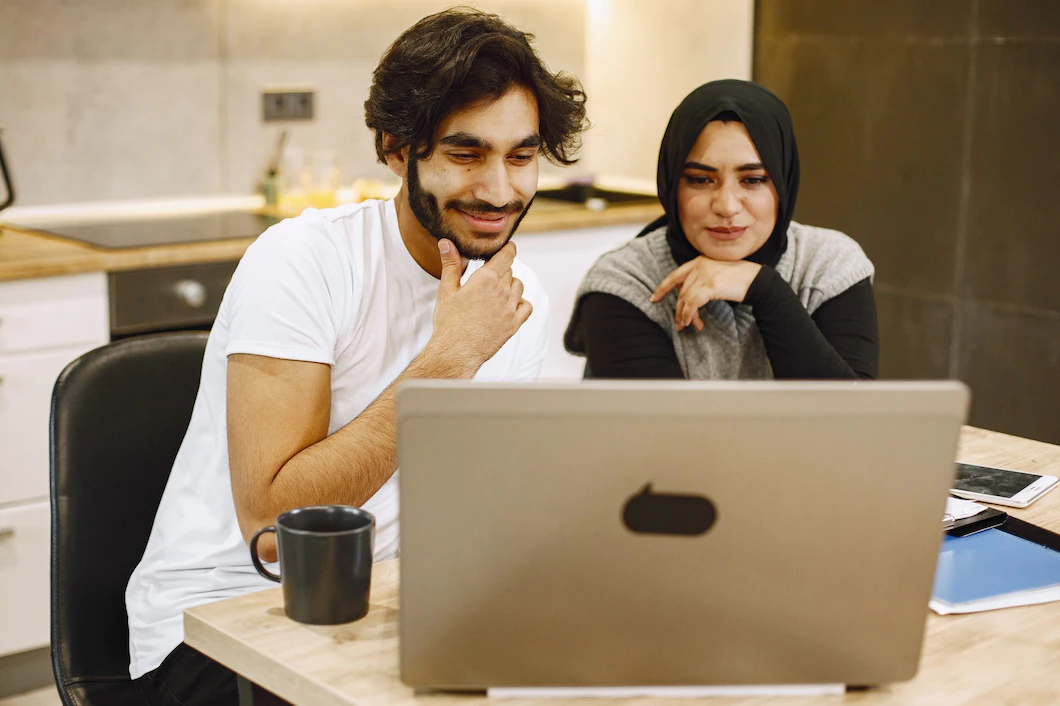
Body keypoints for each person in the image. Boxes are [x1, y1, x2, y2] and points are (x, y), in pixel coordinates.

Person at [125, 9, 587, 704]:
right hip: (216, 627)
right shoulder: (304, 261)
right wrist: (446, 361)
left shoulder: (515, 305)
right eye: (465, 154)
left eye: (521, 157)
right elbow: (275, 530)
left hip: (383, 611)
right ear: (396, 148)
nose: (499, 191)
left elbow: (474, 511)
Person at [565, 79, 878, 380]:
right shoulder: (627, 281)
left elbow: (850, 418)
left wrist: (764, 289)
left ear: (783, 183)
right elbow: (664, 432)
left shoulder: (828, 264)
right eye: (701, 180)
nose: (727, 206)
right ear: (672, 184)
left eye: (753, 180)